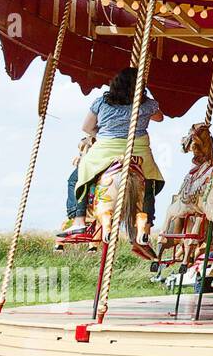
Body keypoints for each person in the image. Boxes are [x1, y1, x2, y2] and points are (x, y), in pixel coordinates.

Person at [66, 67, 166, 234]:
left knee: (77, 178)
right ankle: (147, 223)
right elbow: (160, 118)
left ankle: (79, 218)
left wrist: (103, 134)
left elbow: (87, 127)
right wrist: (143, 106)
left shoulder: (101, 103)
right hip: (137, 151)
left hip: (105, 149)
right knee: (150, 181)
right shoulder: (148, 105)